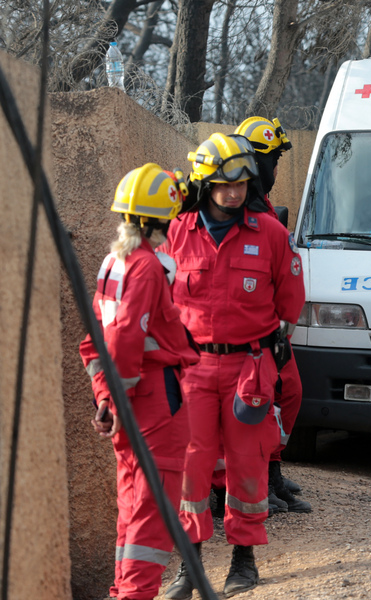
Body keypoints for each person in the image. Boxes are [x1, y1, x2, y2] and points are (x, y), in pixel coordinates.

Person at [162, 132, 305, 599]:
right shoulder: (177, 231)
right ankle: (191, 564)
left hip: (250, 368)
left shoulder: (272, 235)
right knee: (192, 467)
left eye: (242, 184)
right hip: (192, 368)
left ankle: (244, 560)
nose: (234, 192)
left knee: (247, 466)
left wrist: (270, 351)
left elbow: (289, 303)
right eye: (224, 185)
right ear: (204, 184)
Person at [79, 164, 198, 600]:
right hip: (153, 404)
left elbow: (94, 341)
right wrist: (119, 398)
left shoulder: (114, 263)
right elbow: (127, 338)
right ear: (161, 220)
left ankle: (122, 593)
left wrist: (106, 399)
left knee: (132, 508)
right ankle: (134, 595)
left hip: (128, 404)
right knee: (153, 516)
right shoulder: (147, 267)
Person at [235, 116, 310, 515]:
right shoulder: (237, 205)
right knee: (261, 401)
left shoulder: (262, 205)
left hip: (271, 326)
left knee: (289, 392)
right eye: (274, 161)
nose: (279, 170)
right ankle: (259, 477)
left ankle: (272, 467)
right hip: (244, 331)